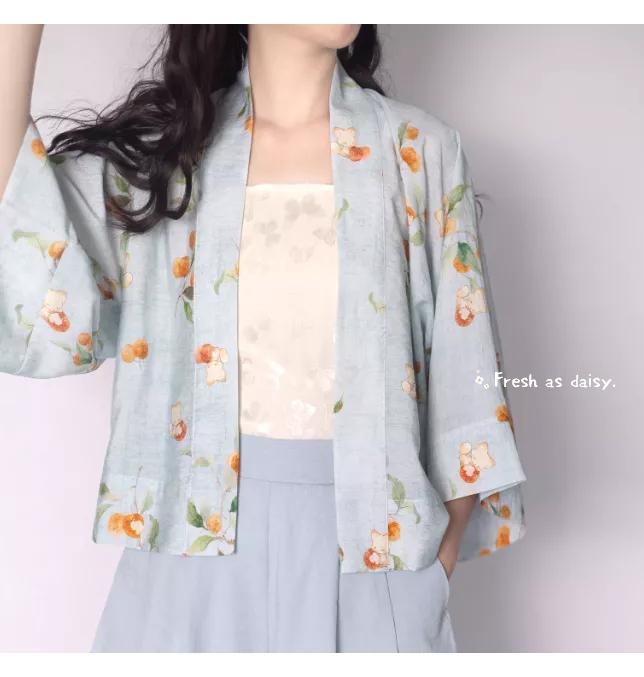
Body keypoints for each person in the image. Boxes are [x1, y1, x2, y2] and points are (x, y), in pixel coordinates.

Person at [0, 24, 527, 652]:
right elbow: (27, 256)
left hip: (371, 565)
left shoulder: (419, 151)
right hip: (187, 561)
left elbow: (468, 390)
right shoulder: (162, 159)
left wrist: (429, 577)